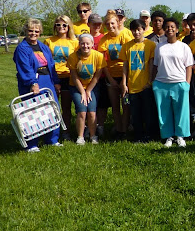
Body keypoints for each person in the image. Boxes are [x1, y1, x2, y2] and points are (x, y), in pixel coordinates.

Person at [13, 18, 63, 152]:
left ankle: (52, 140)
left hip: (47, 80)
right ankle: (32, 144)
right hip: (32, 81)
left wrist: (56, 82)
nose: (33, 33)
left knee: (52, 109)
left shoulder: (43, 46)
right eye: (31, 30)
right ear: (26, 31)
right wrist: (32, 83)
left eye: (36, 31)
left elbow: (51, 65)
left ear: (40, 32)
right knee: (32, 112)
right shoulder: (22, 48)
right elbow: (25, 67)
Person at [152, 17, 194, 148]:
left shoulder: (184, 47)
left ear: (177, 30)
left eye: (172, 27)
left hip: (179, 83)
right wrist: (153, 82)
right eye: (167, 27)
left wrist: (187, 84)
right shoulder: (159, 47)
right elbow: (155, 65)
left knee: (181, 112)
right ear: (164, 30)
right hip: (161, 84)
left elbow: (189, 66)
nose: (169, 29)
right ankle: (168, 136)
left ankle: (180, 136)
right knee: (164, 112)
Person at [121, 19, 158, 143]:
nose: (136, 32)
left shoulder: (150, 45)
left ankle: (149, 135)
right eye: (134, 30)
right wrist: (124, 83)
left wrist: (150, 81)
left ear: (143, 30)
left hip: (145, 85)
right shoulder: (127, 46)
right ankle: (138, 135)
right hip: (132, 85)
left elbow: (152, 64)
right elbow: (125, 66)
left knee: (148, 112)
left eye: (139, 30)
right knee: (135, 113)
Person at [44, 15, 78, 140]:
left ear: (69, 26)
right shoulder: (49, 41)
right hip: (52, 77)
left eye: (64, 25)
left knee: (66, 107)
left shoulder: (74, 42)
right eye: (58, 24)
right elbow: (45, 61)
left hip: (68, 77)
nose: (61, 27)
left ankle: (66, 131)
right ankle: (50, 133)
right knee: (51, 107)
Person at [98, 10, 131, 140]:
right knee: (115, 106)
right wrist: (110, 79)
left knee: (126, 105)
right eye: (107, 24)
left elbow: (128, 59)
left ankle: (125, 129)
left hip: (125, 75)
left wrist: (124, 80)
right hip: (111, 76)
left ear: (118, 23)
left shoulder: (125, 36)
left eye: (112, 23)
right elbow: (102, 62)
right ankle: (119, 130)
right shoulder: (104, 39)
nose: (110, 26)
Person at [67, 34, 105, 145]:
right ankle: (80, 137)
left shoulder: (98, 56)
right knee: (82, 111)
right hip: (76, 86)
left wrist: (88, 91)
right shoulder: (73, 57)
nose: (85, 46)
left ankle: (93, 135)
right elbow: (74, 77)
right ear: (79, 44)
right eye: (82, 43)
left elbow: (97, 76)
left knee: (92, 112)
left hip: (92, 86)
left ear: (92, 44)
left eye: (87, 43)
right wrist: (82, 92)